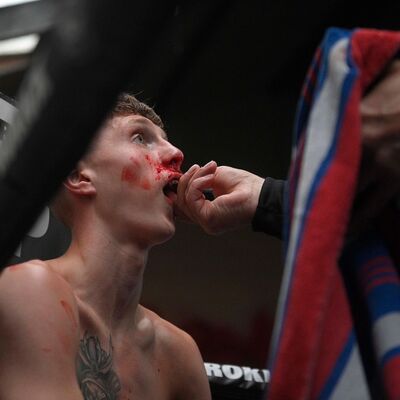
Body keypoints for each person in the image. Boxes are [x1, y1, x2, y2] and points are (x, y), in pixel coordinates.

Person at [0, 94, 211, 399]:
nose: (176, 154)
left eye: (167, 141)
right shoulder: (29, 291)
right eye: (140, 137)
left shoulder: (177, 353)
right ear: (79, 175)